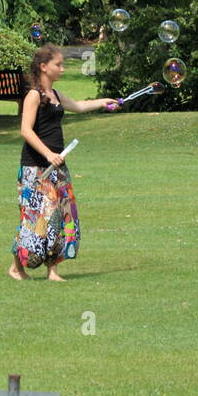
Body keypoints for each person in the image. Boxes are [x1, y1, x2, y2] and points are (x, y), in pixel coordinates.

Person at [8, 43, 116, 282]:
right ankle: (16, 268)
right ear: (44, 67)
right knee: (36, 217)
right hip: (36, 167)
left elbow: (79, 106)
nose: (63, 69)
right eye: (59, 65)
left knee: (62, 215)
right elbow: (26, 130)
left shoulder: (55, 95)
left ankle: (53, 271)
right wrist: (48, 154)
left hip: (58, 166)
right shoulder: (34, 96)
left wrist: (104, 101)